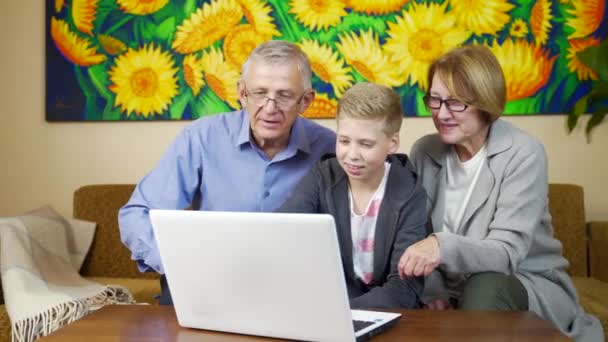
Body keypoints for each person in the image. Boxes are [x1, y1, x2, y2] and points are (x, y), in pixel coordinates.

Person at [397, 45, 603, 341]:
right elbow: (415, 234)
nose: (441, 113)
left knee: (484, 287)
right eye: (435, 100)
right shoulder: (424, 151)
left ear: (485, 101)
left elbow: (506, 253)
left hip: (521, 281)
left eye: (455, 103)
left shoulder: (523, 153)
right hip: (453, 286)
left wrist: (440, 246)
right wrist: (434, 290)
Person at [118, 40, 336, 305]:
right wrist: (178, 264)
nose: (270, 107)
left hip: (291, 293)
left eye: (285, 95)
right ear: (242, 93)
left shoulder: (332, 148)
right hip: (205, 289)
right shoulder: (201, 138)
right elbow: (136, 213)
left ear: (306, 101)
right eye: (259, 93)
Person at [278, 82, 426, 309]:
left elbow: (405, 286)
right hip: (326, 305)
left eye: (366, 144)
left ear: (392, 143)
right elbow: (283, 231)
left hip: (384, 313)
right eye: (344, 141)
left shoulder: (410, 191)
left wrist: (343, 312)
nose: (352, 155)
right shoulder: (322, 176)